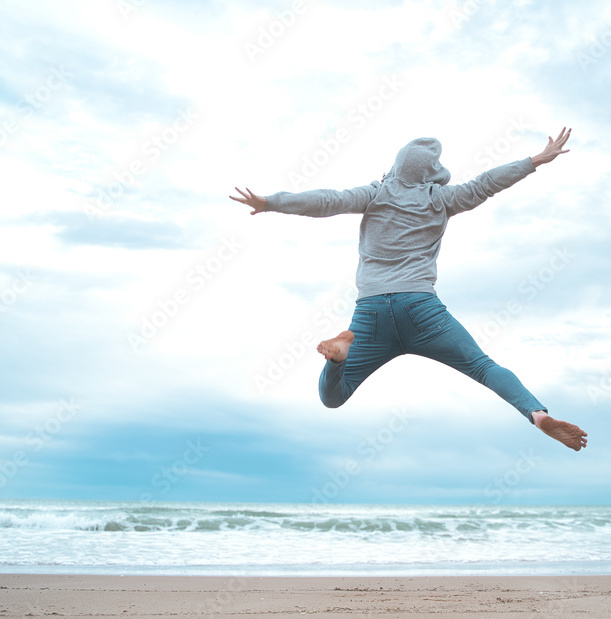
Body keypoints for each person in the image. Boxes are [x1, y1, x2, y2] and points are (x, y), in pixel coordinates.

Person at [230, 128, 587, 451]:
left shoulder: (375, 193)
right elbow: (486, 183)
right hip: (421, 309)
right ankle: (536, 413)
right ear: (432, 171)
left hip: (370, 314)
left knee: (334, 397)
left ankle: (338, 356)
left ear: (398, 166)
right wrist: (535, 160)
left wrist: (270, 202)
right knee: (481, 366)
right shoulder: (442, 198)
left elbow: (327, 200)